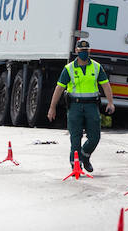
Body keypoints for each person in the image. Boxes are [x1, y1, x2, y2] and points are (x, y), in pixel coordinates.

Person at [46, 40, 115, 172]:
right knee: (75, 137)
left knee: (95, 136)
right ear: (76, 51)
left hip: (91, 106)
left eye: (86, 51)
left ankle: (85, 155)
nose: (84, 53)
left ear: (89, 51)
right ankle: (75, 166)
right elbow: (59, 88)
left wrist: (110, 102)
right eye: (81, 51)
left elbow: (105, 85)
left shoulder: (96, 67)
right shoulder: (69, 69)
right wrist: (52, 107)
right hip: (75, 106)